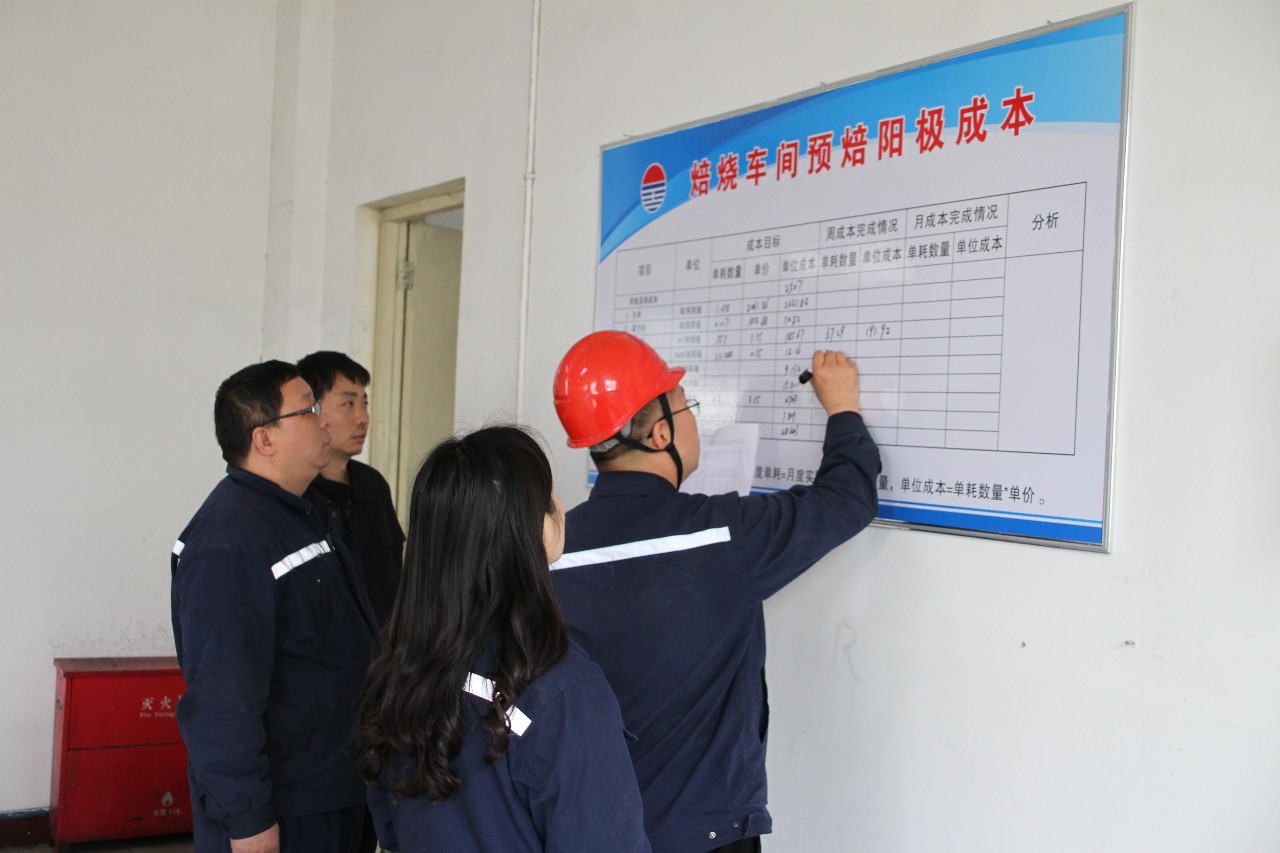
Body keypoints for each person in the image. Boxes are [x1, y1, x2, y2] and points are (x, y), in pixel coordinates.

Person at [549, 331, 881, 853]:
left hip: (591, 830)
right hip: (703, 835)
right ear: (660, 434)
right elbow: (846, 499)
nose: (693, 422)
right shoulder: (721, 535)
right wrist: (842, 409)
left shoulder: (552, 548)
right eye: (687, 407)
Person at [356, 426, 650, 853]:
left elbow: (388, 822)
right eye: (548, 496)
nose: (561, 506)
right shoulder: (563, 689)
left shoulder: (399, 661)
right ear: (527, 529)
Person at [171, 360, 378, 853]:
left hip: (334, 786)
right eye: (308, 410)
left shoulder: (303, 513)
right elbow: (222, 699)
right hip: (287, 805)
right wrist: (248, 819)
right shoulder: (229, 543)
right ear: (263, 438)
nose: (324, 421)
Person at [297, 350, 404, 626]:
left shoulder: (373, 485)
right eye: (348, 404)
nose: (362, 418)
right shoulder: (299, 491)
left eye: (364, 404)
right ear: (313, 410)